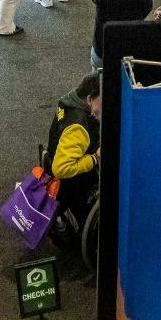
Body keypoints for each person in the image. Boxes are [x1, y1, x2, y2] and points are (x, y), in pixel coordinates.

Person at [46, 72, 103, 218]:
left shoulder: (70, 101)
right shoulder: (79, 126)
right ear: (90, 98)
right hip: (72, 189)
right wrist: (95, 158)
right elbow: (61, 168)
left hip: (54, 161)